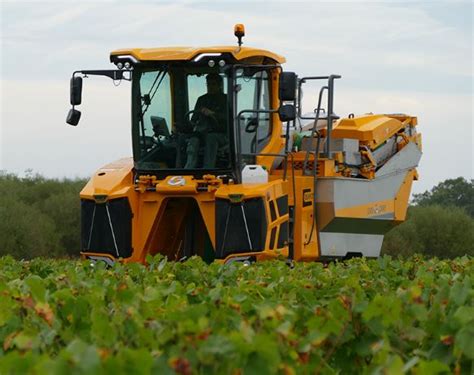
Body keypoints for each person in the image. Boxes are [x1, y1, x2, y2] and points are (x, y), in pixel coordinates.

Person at [184, 73, 228, 169]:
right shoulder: (201, 99)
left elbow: (229, 119)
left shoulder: (226, 99)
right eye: (208, 84)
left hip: (222, 134)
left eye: (213, 84)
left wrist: (213, 114)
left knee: (211, 138)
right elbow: (194, 119)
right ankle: (187, 169)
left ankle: (208, 169)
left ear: (220, 85)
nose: (210, 87)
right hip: (203, 132)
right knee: (190, 139)